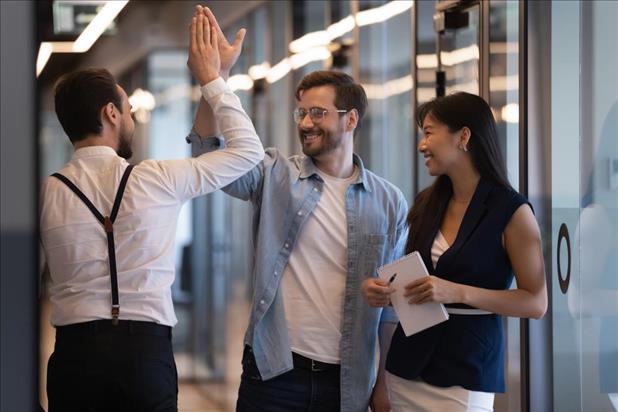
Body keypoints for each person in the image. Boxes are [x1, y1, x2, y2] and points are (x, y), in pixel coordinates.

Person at [40, 12, 263, 411]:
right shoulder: (157, 178)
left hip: (73, 355)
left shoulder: (47, 192)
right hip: (144, 354)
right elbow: (247, 152)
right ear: (110, 113)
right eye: (127, 109)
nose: (131, 118)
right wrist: (214, 79)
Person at [188, 8, 408, 411]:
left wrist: (384, 385)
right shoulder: (274, 174)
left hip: (348, 380)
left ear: (351, 119)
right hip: (273, 370)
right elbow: (208, 155)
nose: (306, 122)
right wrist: (211, 82)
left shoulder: (389, 201)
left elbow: (392, 310)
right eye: (302, 112)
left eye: (318, 113)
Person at [362, 92, 548, 411]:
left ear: (463, 136)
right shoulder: (427, 203)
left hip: (467, 371)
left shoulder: (511, 210)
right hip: (407, 368)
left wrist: (456, 292)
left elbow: (535, 302)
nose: (422, 144)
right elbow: (415, 278)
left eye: (430, 132)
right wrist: (383, 290)